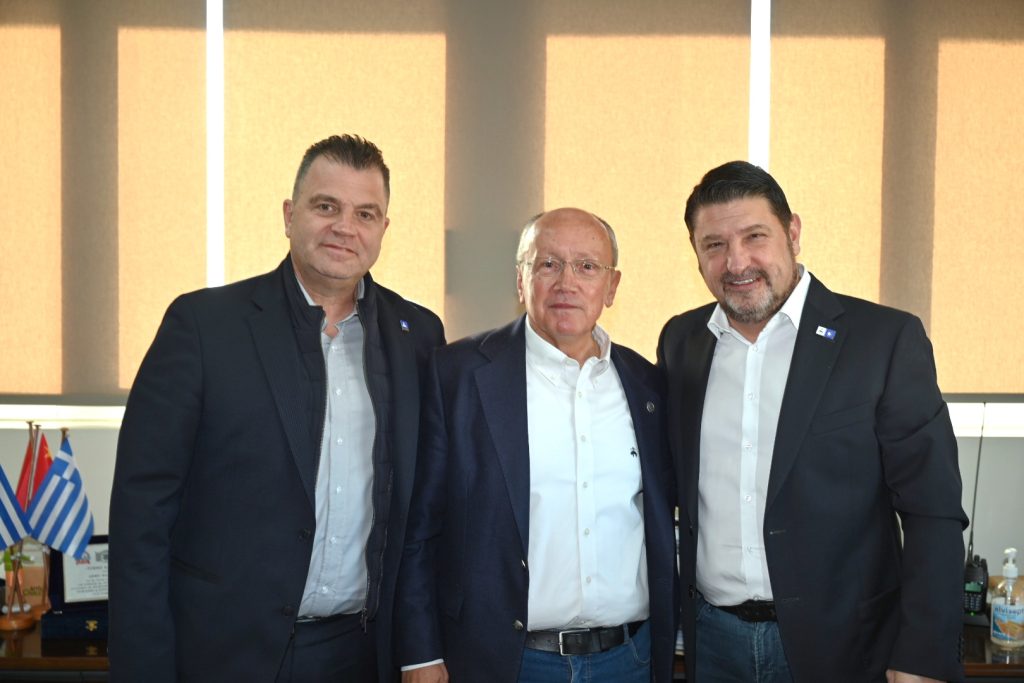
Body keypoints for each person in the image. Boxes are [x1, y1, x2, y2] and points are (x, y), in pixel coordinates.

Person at [109, 134, 445, 682]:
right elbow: (141, 515)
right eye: (326, 206)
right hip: (223, 653)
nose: (345, 227)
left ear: (384, 228)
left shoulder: (419, 336)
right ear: (290, 215)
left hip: (362, 654)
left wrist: (420, 650)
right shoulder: (204, 327)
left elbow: (422, 514)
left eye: (365, 213)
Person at [658, 160, 967, 683]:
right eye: (714, 245)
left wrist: (922, 654)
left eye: (755, 236)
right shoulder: (681, 342)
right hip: (712, 643)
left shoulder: (883, 341)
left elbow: (932, 511)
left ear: (793, 232)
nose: (737, 261)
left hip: (844, 646)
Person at [395, 208, 677, 683]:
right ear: (521, 281)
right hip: (504, 661)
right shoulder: (458, 376)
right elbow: (419, 528)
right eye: (548, 264)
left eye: (587, 266)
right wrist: (419, 654)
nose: (567, 282)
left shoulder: (647, 385)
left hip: (629, 659)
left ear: (611, 286)